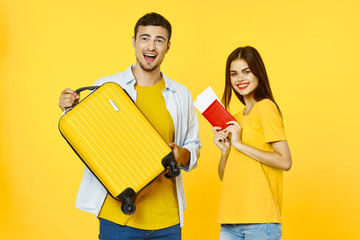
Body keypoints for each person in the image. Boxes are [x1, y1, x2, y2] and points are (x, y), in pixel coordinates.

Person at [58, 12, 201, 240]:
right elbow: (89, 137)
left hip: (167, 221)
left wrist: (180, 154)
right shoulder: (106, 86)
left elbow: (193, 145)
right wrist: (69, 109)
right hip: (118, 218)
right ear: (134, 42)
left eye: (159, 40)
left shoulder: (181, 94)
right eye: (144, 38)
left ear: (168, 46)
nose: (151, 46)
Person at [212, 46, 292, 240]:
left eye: (246, 71)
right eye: (234, 74)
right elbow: (225, 175)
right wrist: (225, 151)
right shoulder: (235, 119)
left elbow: (285, 161)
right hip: (230, 220)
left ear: (258, 73)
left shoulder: (265, 108)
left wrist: (240, 145)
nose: (240, 79)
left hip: (260, 221)